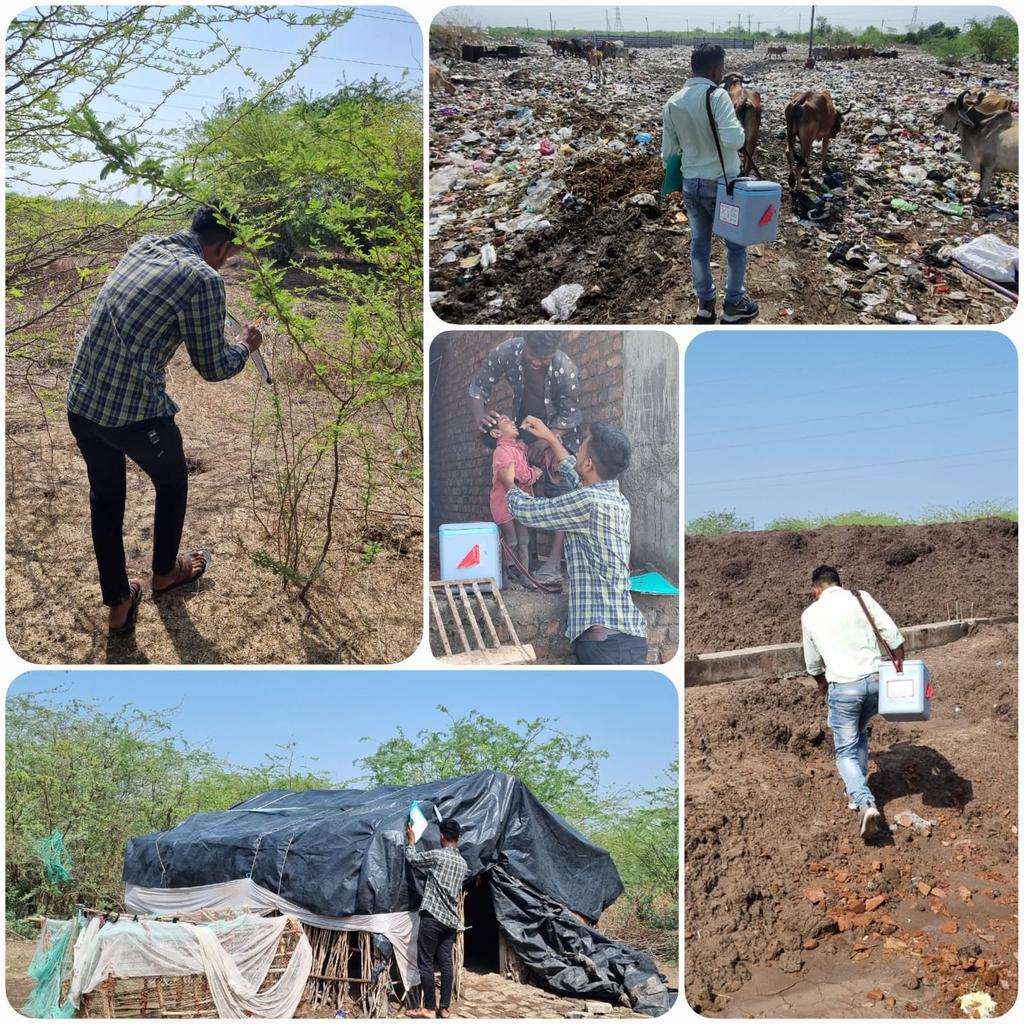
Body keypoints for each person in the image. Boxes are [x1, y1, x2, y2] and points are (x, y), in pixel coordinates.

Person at [66, 203, 263, 636]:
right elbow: (213, 367)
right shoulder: (204, 279)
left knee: (106, 497)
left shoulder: (145, 245)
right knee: (172, 483)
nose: (225, 262)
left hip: (81, 401)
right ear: (223, 246)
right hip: (132, 413)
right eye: (229, 255)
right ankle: (164, 574)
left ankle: (118, 604)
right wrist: (245, 345)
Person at [498, 415, 647, 665]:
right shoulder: (615, 499)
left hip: (607, 648)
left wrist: (509, 484)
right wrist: (547, 436)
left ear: (588, 463)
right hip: (623, 641)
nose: (574, 452)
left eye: (580, 449)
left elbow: (531, 512)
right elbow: (575, 473)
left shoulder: (588, 503)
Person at [468, 333, 582, 586]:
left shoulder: (566, 369)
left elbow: (571, 414)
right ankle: (524, 565)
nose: (536, 363)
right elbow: (479, 386)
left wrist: (548, 440)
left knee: (561, 494)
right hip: (525, 430)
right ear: (524, 345)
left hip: (558, 434)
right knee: (525, 493)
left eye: (544, 359)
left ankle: (552, 563)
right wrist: (480, 415)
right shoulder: (507, 351)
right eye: (532, 356)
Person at [801, 565, 906, 841]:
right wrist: (900, 667)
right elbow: (893, 635)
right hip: (874, 685)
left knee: (845, 752)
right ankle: (854, 791)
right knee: (858, 734)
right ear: (839, 583)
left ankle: (864, 802)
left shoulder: (810, 614)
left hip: (844, 688)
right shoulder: (861, 597)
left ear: (816, 589)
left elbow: (812, 664)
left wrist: (822, 685)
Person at [662, 43, 759, 325]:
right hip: (723, 188)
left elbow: (669, 153)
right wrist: (739, 132)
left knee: (699, 245)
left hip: (691, 186)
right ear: (717, 69)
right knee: (736, 245)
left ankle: (705, 305)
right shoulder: (717, 96)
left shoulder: (673, 102)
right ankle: (733, 304)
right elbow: (734, 140)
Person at [404, 819, 469, 1020]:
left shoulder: (437, 855)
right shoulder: (463, 864)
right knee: (446, 964)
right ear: (458, 838)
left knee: (426, 963)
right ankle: (445, 1008)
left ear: (441, 836)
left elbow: (413, 859)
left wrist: (411, 841)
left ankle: (430, 1008)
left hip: (432, 918)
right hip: (450, 920)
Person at [483, 414, 543, 585]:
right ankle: (502, 579)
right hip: (504, 503)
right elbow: (521, 476)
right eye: (505, 422)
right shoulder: (502, 451)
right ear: (496, 433)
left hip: (520, 502)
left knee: (524, 540)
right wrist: (535, 473)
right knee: (512, 540)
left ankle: (525, 577)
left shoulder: (517, 448)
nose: (512, 422)